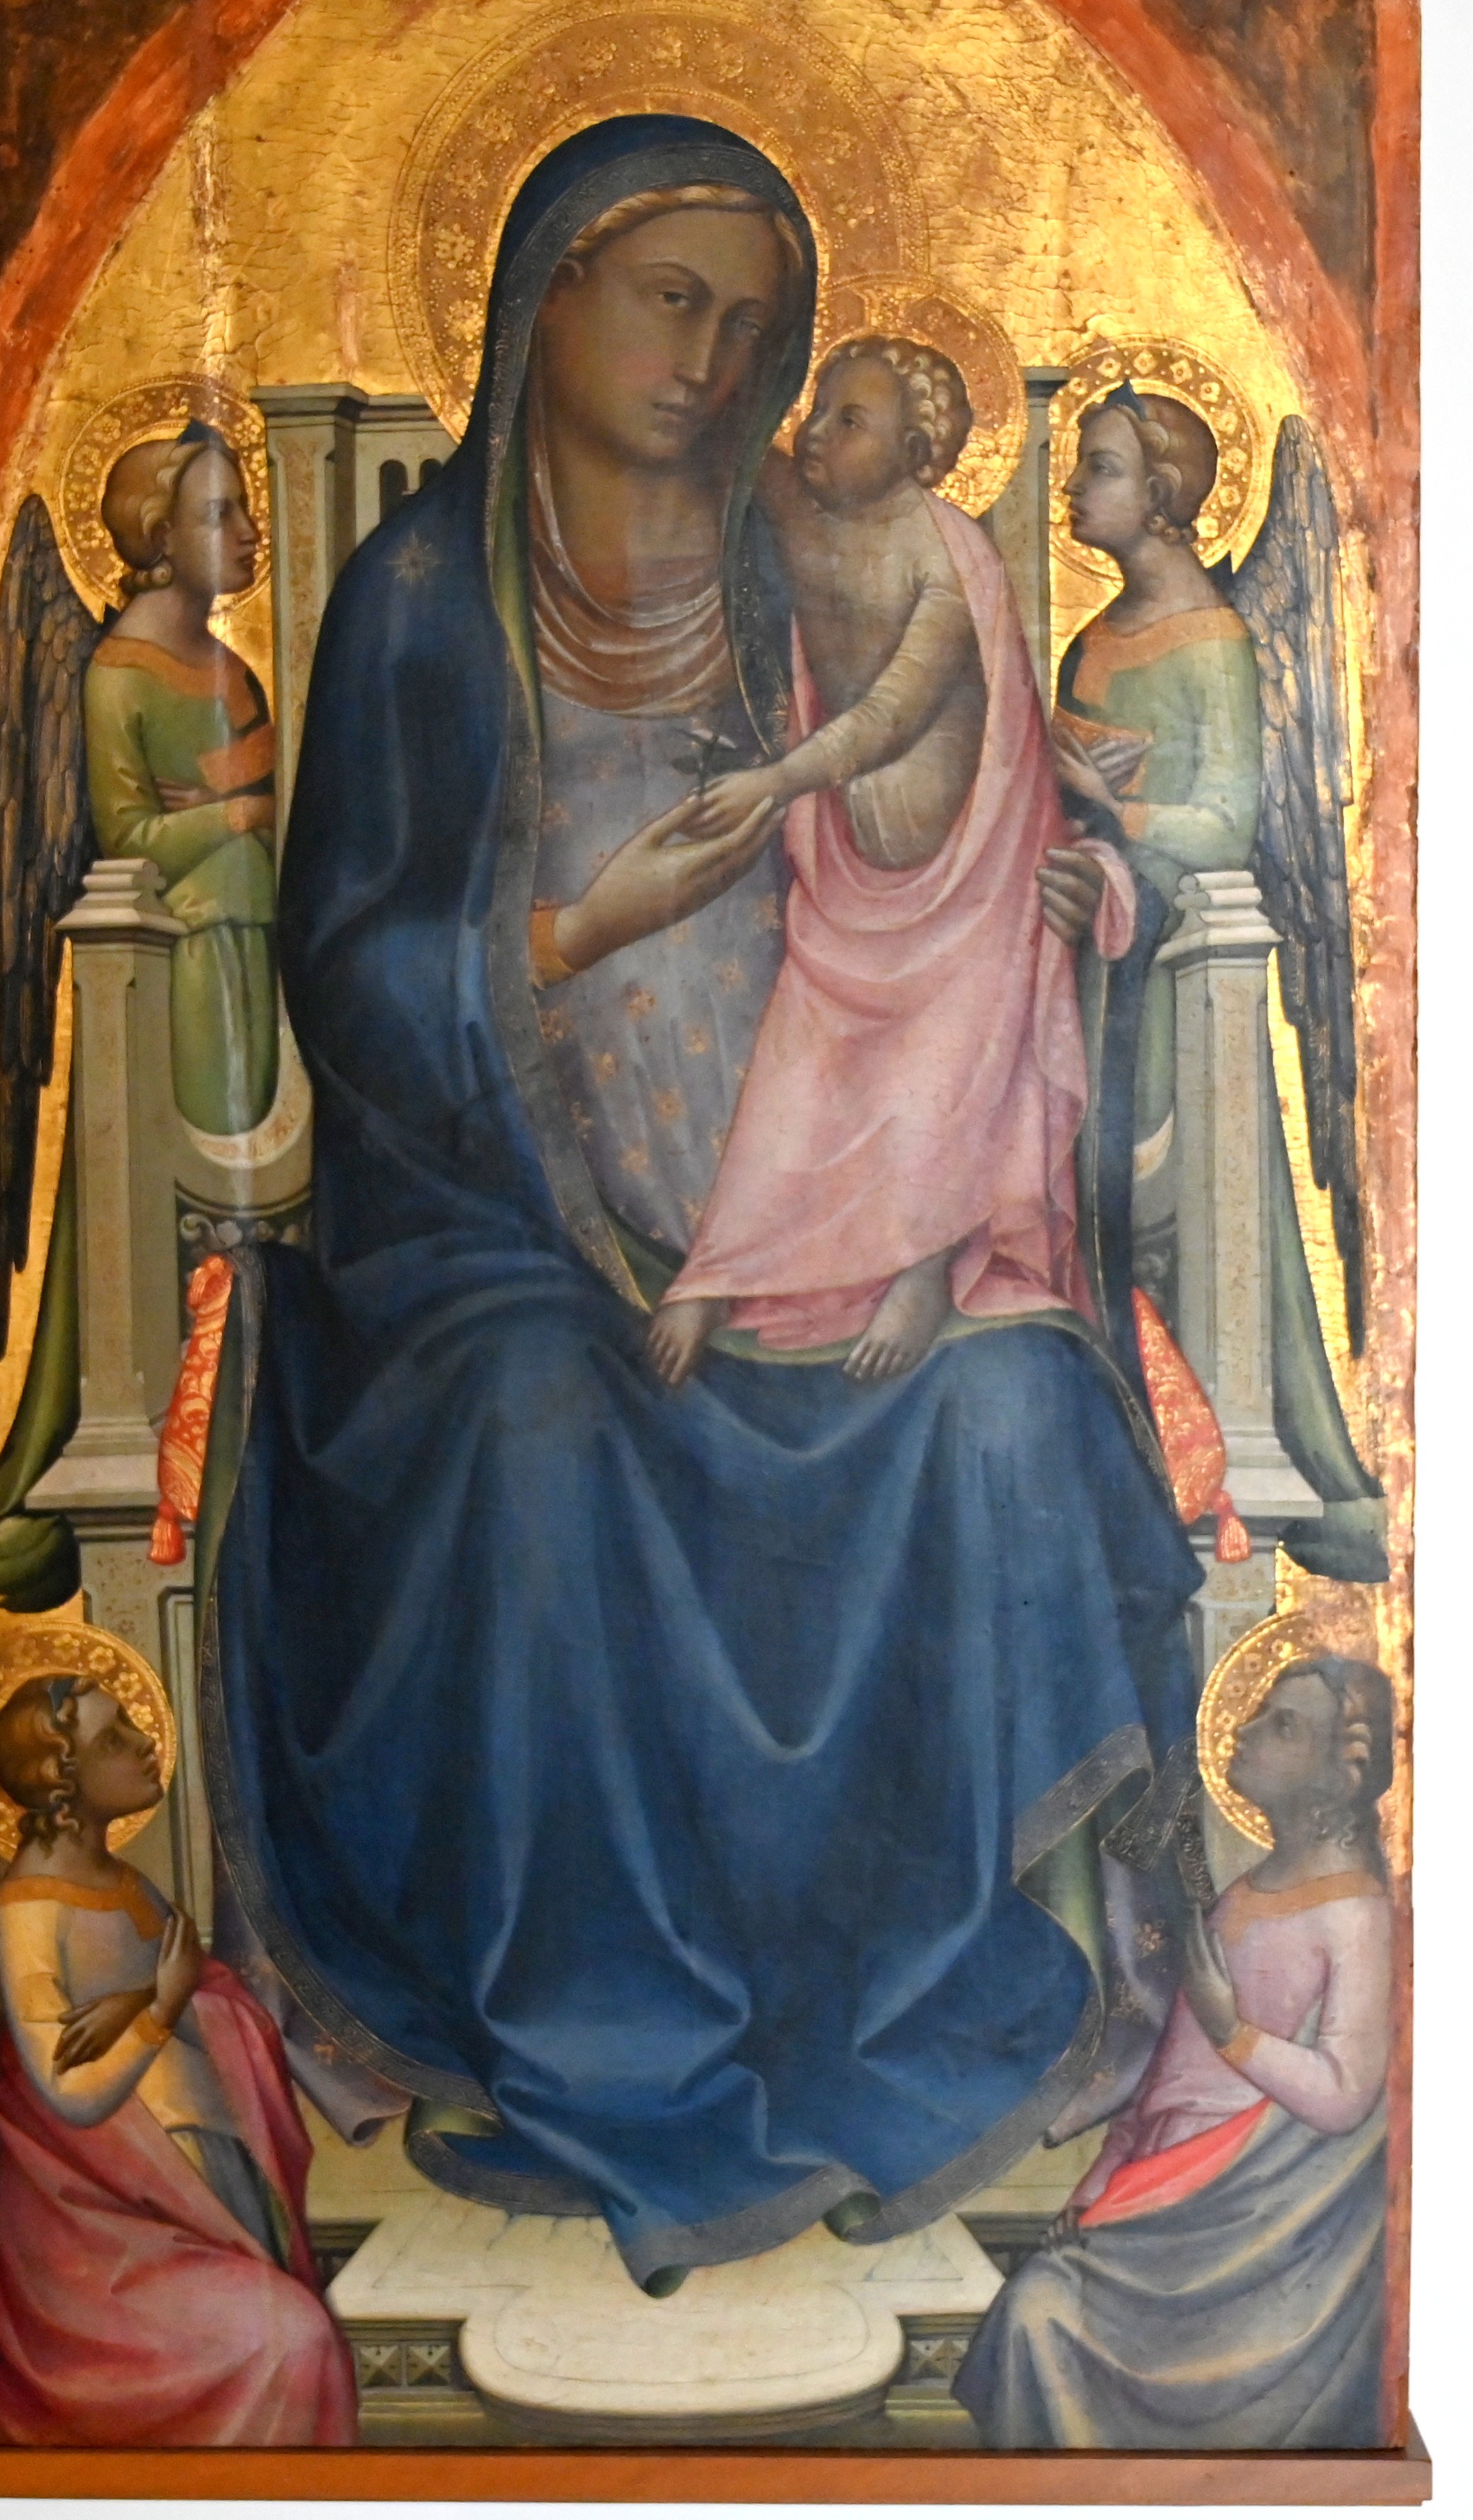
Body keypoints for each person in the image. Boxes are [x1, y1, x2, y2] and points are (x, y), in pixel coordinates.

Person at [222, 119, 1200, 2287]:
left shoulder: (813, 558)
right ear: (544, 296)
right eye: (669, 300)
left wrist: (1052, 900)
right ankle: (619, 2031)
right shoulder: (427, 597)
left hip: (840, 1207)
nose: (712, 357)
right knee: (540, 1429)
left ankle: (933, 1998)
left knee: (1008, 1408)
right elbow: (346, 958)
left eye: (753, 326)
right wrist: (566, 933)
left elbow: (961, 795)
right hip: (490, 1229)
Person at [652, 335, 1116, 1385]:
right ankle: (718, 1273)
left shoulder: (947, 556)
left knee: (938, 1085)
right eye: (815, 408)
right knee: (797, 1074)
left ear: (915, 453)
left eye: (847, 420)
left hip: (972, 890)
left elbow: (890, 715)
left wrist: (775, 783)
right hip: (850, 876)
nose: (815, 432)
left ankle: (927, 1262)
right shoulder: (806, 517)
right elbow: (733, 448)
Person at [1058, 380, 1395, 1582]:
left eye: (1099, 467)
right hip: (1086, 955)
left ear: (1161, 495)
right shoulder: (1092, 641)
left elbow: (1228, 820)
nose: (1074, 489)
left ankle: (1198, 1461)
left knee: (1161, 1221)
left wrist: (1111, 806)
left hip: (1171, 980)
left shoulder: (1213, 641)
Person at [958, 1657, 1396, 2450]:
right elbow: (1169, 2075)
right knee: (1032, 2308)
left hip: (1239, 2232)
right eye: (1257, 1712)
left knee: (1038, 2315)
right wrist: (1100, 2178)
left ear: (1336, 1774)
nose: (1245, 1731)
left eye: (1282, 1724)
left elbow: (1343, 2095)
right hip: (1158, 2198)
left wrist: (1234, 2032)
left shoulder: (1356, 1913)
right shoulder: (1244, 1893)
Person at [0, 1676, 353, 2446]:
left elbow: (203, 1989)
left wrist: (143, 1999)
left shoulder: (123, 1883)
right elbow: (70, 2092)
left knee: (296, 2333)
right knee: (291, 2337)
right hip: (99, 2241)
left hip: (191, 2197)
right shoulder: (31, 1906)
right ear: (62, 1777)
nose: (146, 1742)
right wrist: (155, 2008)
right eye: (113, 1738)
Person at [86, 427, 283, 1135]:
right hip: (191, 958)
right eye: (219, 514)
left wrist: (250, 802)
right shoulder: (119, 677)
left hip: (262, 938)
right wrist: (242, 814)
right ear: (161, 535)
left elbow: (276, 776)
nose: (249, 532)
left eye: (244, 507)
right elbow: (129, 843)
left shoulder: (232, 669)